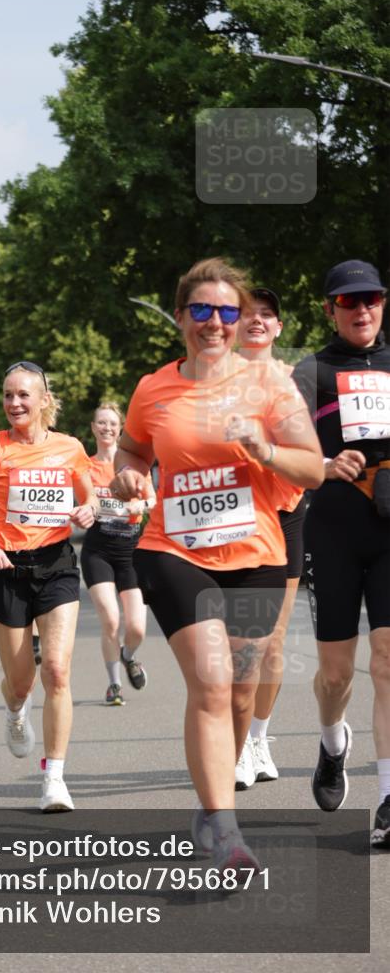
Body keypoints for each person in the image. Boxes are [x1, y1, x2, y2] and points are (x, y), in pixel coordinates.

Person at [111, 258, 323, 872]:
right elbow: (132, 448)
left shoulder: (270, 384)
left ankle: (211, 806)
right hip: (173, 550)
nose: (215, 321)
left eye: (227, 311)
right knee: (210, 680)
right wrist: (128, 474)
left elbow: (312, 468)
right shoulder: (153, 388)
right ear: (181, 316)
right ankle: (226, 828)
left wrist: (267, 449)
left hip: (256, 554)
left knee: (239, 693)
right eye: (201, 309)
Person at [0, 360, 96, 812]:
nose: (14, 403)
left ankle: (54, 778)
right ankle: (15, 711)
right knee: (21, 683)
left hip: (56, 566)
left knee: (57, 670)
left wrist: (88, 510)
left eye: (23, 395)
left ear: (43, 400)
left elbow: (90, 496)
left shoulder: (70, 447)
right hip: (6, 570)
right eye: (8, 395)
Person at [292, 260, 390, 849]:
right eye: (349, 301)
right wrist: (325, 464)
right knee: (336, 673)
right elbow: (283, 449)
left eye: (371, 298)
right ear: (330, 309)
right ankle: (333, 743)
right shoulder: (312, 371)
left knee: (387, 660)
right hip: (331, 530)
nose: (362, 309)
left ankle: (388, 798)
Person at [234, 287, 307, 788]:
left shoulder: (298, 379)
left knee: (274, 643)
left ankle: (258, 738)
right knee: (242, 644)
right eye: (248, 314)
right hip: (237, 517)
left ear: (279, 327)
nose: (257, 320)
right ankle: (236, 743)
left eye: (267, 315)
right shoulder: (217, 378)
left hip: (286, 514)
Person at [81, 401, 156, 706]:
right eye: (101, 423)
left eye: (112, 424)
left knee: (137, 627)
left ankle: (129, 655)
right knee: (111, 620)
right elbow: (79, 500)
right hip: (98, 551)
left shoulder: (134, 467)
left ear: (120, 429)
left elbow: (153, 499)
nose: (107, 428)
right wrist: (87, 508)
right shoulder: (85, 466)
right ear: (93, 428)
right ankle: (114, 685)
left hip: (131, 552)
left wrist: (141, 504)